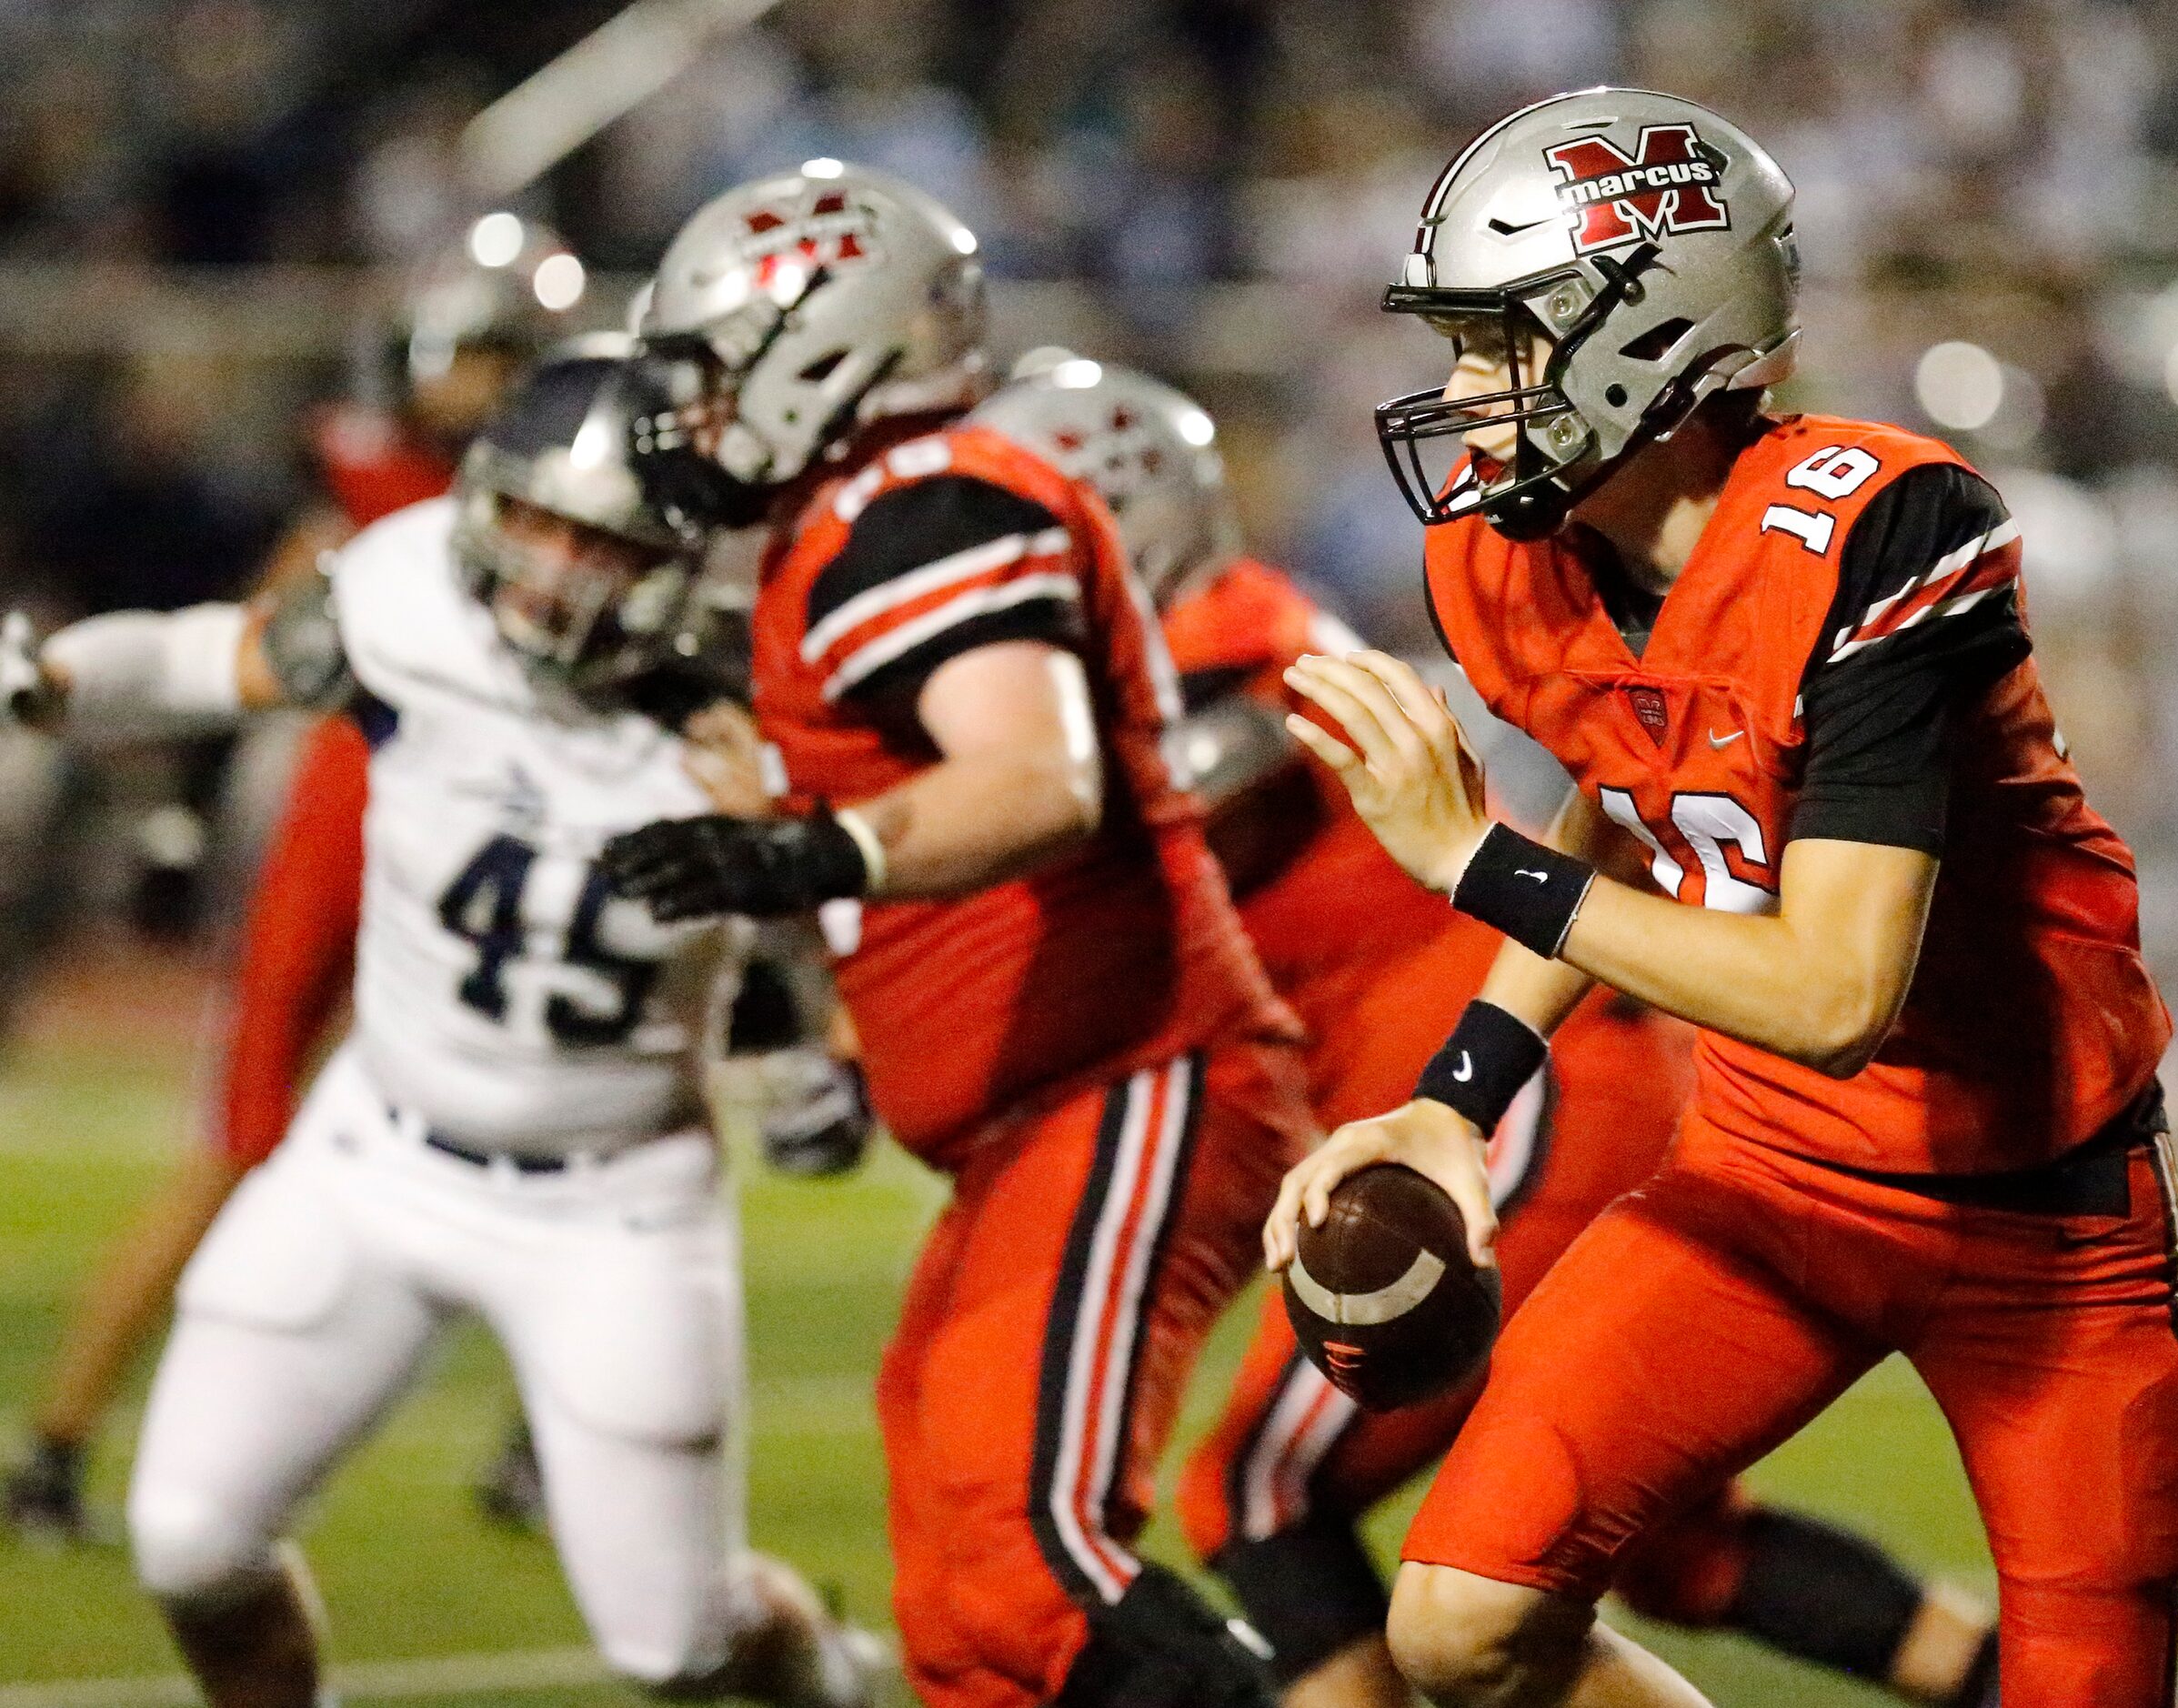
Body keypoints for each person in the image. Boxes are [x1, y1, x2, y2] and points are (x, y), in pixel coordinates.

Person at [1265, 89, 2178, 1708]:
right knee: (1461, 1624)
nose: (1463, 390)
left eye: (1501, 340)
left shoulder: (1883, 528)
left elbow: (1838, 993)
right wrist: (1453, 1097)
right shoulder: (1514, 559)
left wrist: (1476, 860)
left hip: (2043, 1211)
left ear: (1649, 334)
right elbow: (1645, 789)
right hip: (1772, 1177)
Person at [974, 354, 2001, 1708]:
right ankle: (2015, 1679)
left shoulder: (1232, 653)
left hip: (1525, 1089)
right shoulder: (1170, 661)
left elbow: (1076, 856)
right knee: (1678, 1550)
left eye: (995, 545)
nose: (964, 593)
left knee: (1262, 1488)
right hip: (1553, 1075)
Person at [2, 346, 881, 1708]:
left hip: (616, 1199)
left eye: (591, 538)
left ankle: (822, 1667)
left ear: (679, 555)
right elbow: (211, 655)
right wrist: (50, 682)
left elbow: (869, 923)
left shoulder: (756, 711)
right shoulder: (409, 591)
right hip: (376, 1148)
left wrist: (824, 1027)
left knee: (680, 1642)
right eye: (526, 516)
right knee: (191, 1539)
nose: (543, 565)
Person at [600, 163, 1317, 1708]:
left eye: (717, 377)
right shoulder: (851, 528)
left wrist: (806, 843)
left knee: (1027, 1565)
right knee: (965, 1621)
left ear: (823, 355)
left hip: (1133, 1078)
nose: (694, 418)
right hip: (1045, 1111)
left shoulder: (915, 508)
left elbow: (1035, 777)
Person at [4, 216, 597, 1541]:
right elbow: (247, 648)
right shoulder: (378, 492)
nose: (491, 390)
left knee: (564, 1129)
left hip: (494, 826)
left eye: (512, 360)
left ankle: (551, 1440)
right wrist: (181, 809)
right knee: (245, 1136)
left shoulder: (556, 499)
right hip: (362, 817)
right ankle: (55, 1440)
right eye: (480, 359)